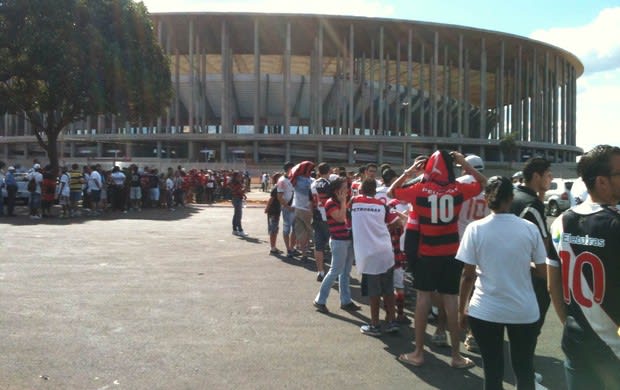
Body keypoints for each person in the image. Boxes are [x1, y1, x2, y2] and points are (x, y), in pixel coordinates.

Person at [389, 150, 485, 368]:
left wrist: (409, 172)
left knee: (423, 298)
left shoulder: (419, 190)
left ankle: (418, 353)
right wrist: (465, 165)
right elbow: (483, 183)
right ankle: (456, 356)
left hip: (426, 252)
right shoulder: (458, 189)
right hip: (452, 252)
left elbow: (393, 191)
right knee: (451, 300)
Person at [457, 175, 547, 390]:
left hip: (484, 309)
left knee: (493, 370)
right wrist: (527, 265)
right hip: (523, 309)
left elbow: (467, 275)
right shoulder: (529, 228)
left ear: (487, 198)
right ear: (511, 198)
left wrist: (462, 310)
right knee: (524, 369)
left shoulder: (475, 229)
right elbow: (544, 271)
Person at [549, 145, 620, 389]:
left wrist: (571, 323)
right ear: (602, 181)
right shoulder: (615, 225)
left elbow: (553, 285)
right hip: (613, 349)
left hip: (575, 340)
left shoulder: (560, 222)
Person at [510, 157, 555, 385]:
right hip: (530, 273)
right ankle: (525, 379)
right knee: (530, 330)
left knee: (521, 331)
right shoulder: (532, 203)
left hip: (512, 270)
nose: (551, 178)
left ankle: (524, 373)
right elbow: (543, 243)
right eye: (548, 174)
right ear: (537, 176)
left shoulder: (514, 195)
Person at [351, 178, 398, 336]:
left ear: (361, 190)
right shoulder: (382, 205)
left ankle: (375, 324)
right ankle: (392, 321)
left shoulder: (354, 202)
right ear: (375, 191)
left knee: (374, 292)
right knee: (388, 290)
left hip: (368, 254)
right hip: (385, 250)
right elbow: (396, 223)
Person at [313, 178, 361, 314]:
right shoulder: (330, 203)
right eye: (345, 187)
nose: (348, 190)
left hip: (347, 239)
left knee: (345, 272)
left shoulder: (344, 201)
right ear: (336, 190)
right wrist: (343, 202)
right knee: (335, 271)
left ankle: (346, 301)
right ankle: (320, 300)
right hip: (339, 241)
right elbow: (340, 218)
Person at [290, 161, 315, 260]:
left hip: (297, 208)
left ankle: (304, 254)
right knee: (310, 231)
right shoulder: (311, 181)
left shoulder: (295, 179)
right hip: (307, 209)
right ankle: (315, 251)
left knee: (300, 232)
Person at [311, 162, 331, 281]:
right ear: (329, 171)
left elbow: (311, 201)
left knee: (318, 246)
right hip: (328, 218)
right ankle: (334, 271)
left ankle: (320, 271)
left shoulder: (313, 183)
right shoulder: (329, 184)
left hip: (316, 216)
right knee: (333, 245)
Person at [277, 162, 297, 257]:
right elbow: (279, 196)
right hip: (287, 208)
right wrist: (288, 207)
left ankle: (292, 247)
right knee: (287, 229)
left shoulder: (295, 179)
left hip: (295, 207)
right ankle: (288, 249)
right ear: (289, 169)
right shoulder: (282, 180)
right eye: (293, 169)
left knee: (295, 229)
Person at [265, 173, 282, 254]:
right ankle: (273, 248)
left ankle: (273, 247)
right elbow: (271, 199)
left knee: (274, 229)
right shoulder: (277, 187)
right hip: (274, 210)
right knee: (274, 229)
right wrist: (267, 208)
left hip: (274, 210)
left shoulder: (277, 186)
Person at [229, 171, 248, 236]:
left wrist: (243, 194)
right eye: (239, 176)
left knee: (236, 215)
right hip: (237, 199)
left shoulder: (233, 182)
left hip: (235, 198)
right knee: (238, 215)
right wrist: (244, 189)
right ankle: (240, 230)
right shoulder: (236, 183)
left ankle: (234, 229)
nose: (240, 177)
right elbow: (238, 191)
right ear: (236, 176)